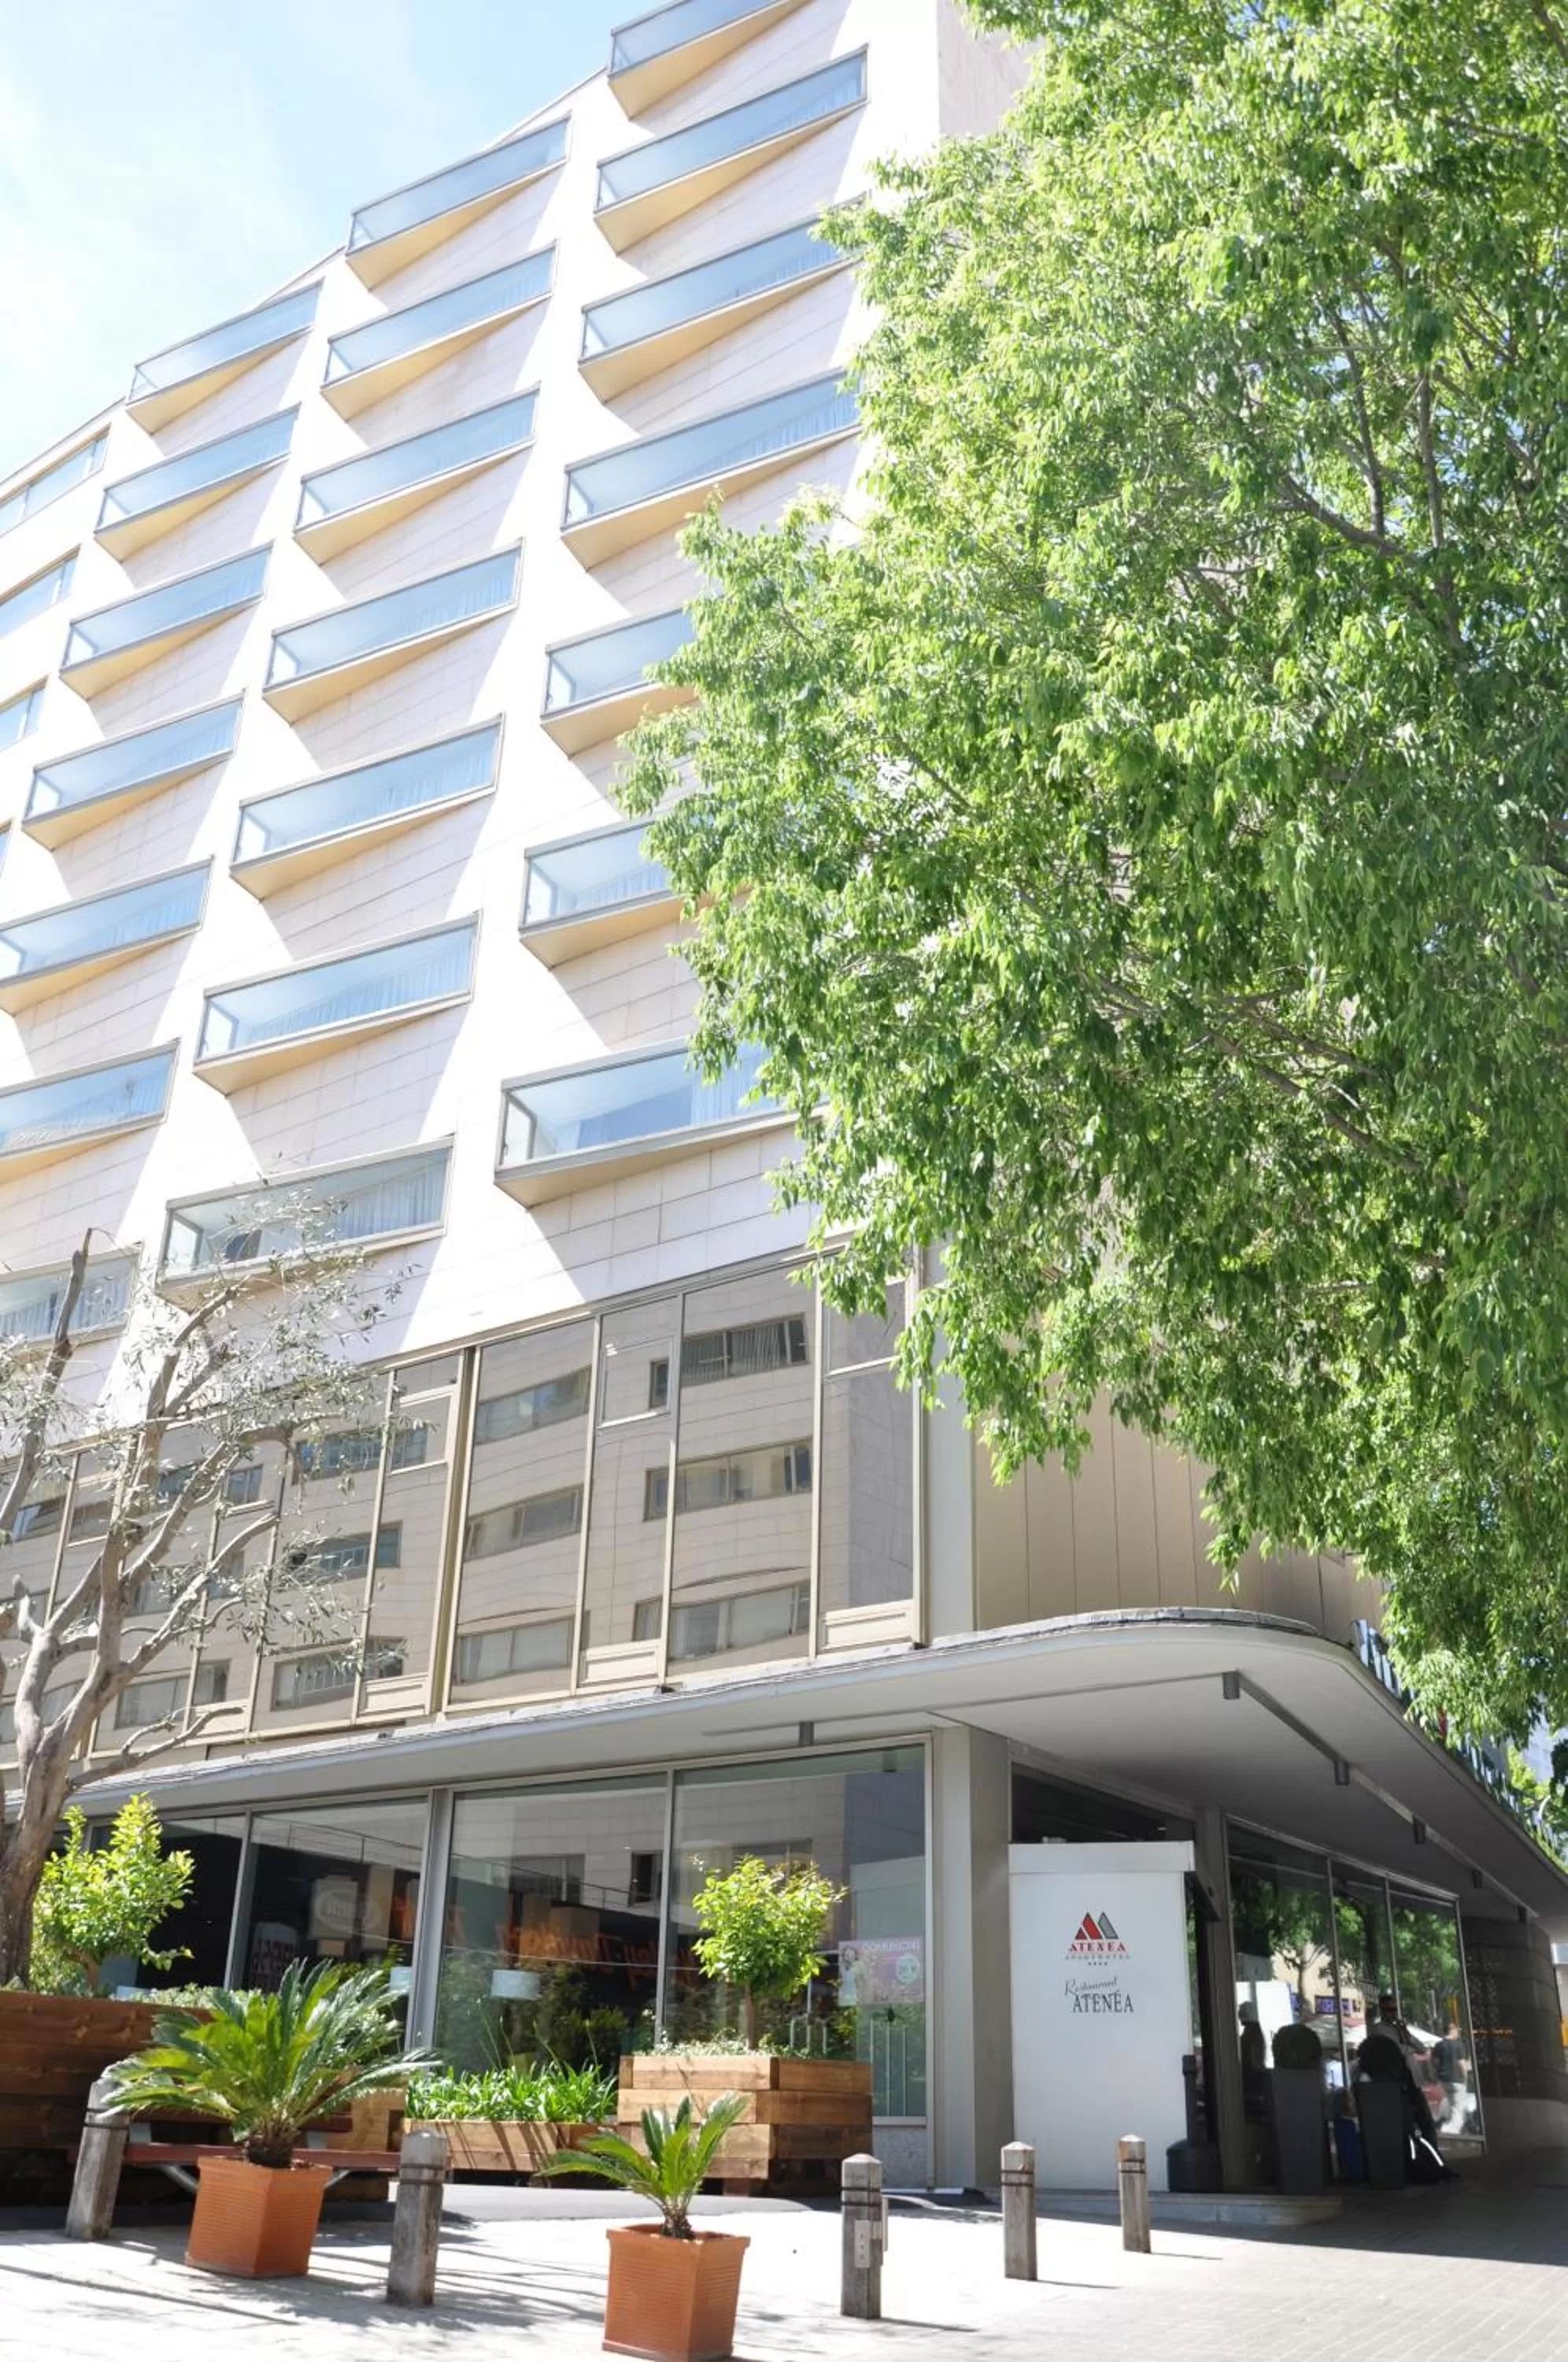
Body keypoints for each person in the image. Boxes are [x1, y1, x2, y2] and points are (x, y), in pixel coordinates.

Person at [1433, 2020, 1471, 2135]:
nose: (1458, 2033)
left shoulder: (1439, 2045)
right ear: (1452, 2030)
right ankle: (1449, 2131)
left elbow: (1434, 2063)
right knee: (1458, 2109)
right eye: (1457, 2030)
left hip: (1443, 2081)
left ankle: (1445, 2124)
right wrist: (1466, 2080)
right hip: (1456, 2081)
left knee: (1450, 2105)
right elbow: (1462, 2064)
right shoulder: (1458, 2045)